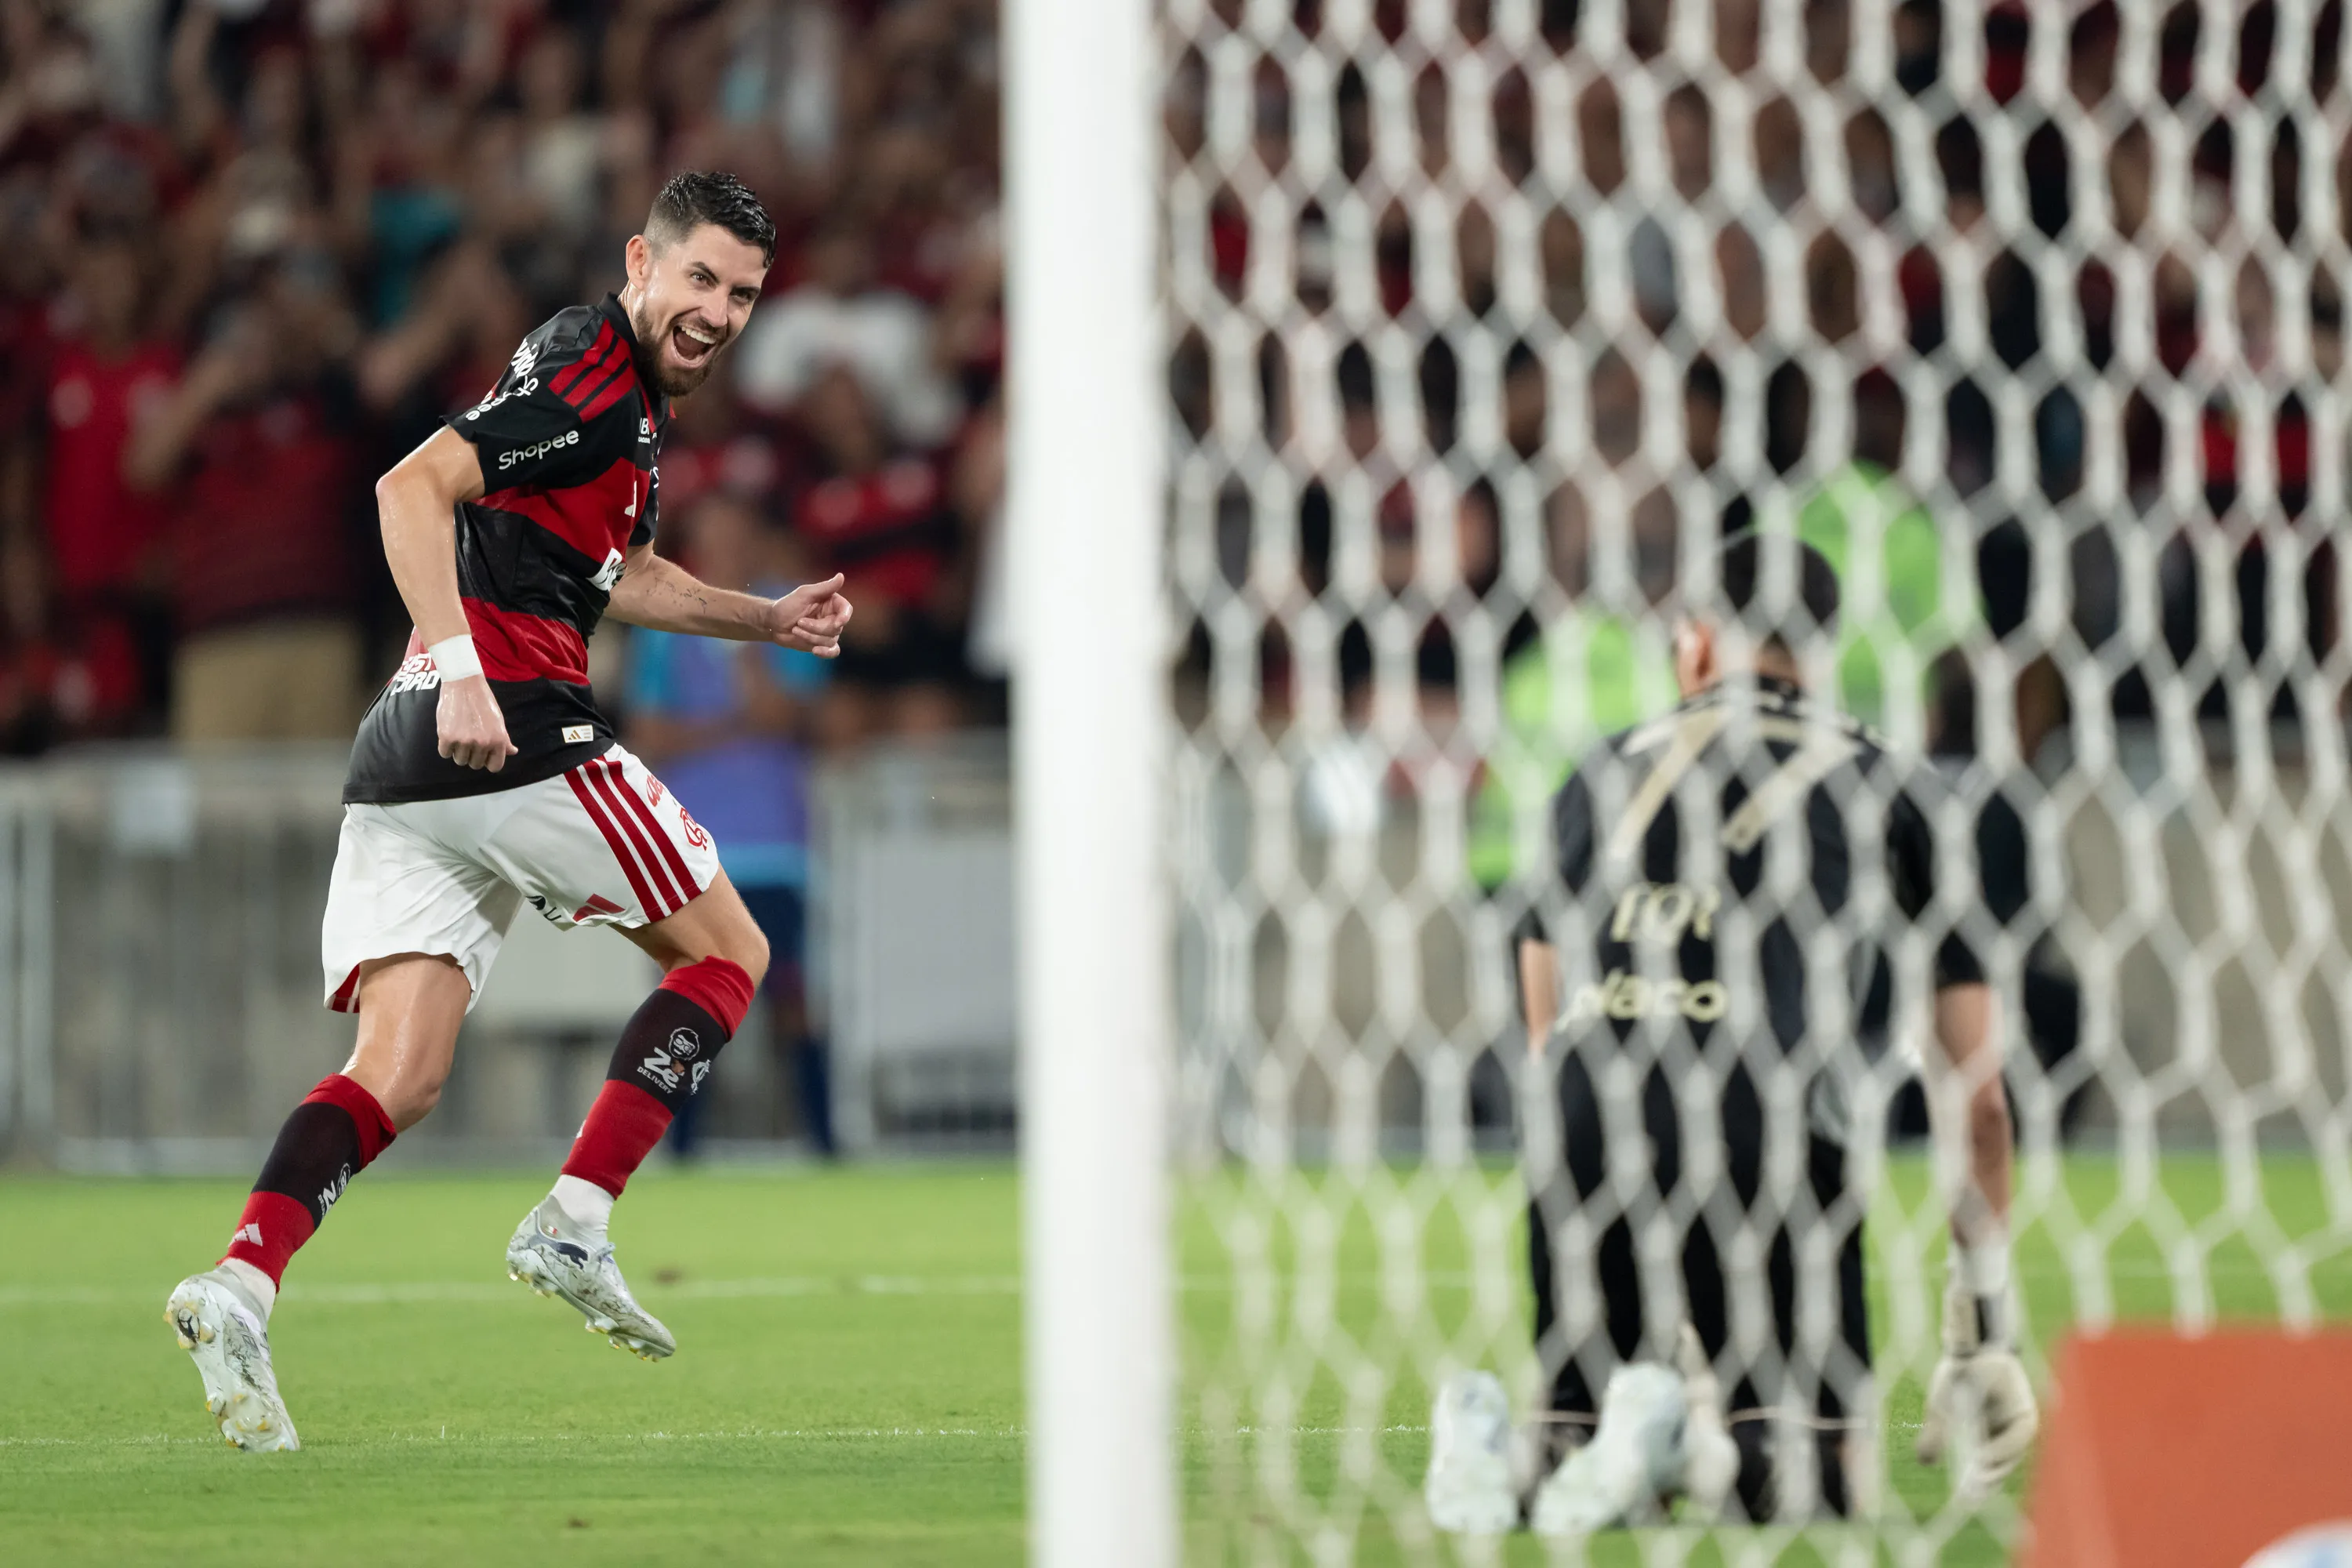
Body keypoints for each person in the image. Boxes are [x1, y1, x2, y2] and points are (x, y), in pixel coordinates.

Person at [162, 171, 853, 1454]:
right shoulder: (595, 378)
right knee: (732, 953)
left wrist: (764, 618)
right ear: (642, 261)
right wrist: (469, 662)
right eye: (699, 279)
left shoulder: (605, 399)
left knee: (401, 1074)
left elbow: (623, 572)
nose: (717, 312)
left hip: (404, 759)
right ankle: (577, 1218)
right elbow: (408, 488)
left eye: (743, 295)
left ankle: (240, 1282)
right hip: (511, 725)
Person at [1424, 533, 2036, 1532]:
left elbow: (1543, 1034)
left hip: (1589, 1133)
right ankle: (1703, 1442)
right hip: (1776, 1134)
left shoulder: (1596, 773)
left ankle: (1517, 1438)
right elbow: (1982, 1098)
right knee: (1813, 1480)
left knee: (1582, 1459)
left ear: (1695, 642)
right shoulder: (1894, 784)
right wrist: (1984, 1323)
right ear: (1823, 652)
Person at [625, 492, 835, 1156]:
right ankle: (682, 1149)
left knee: (790, 1002)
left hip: (775, 847)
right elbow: (648, 734)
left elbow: (783, 715)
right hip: (691, 850)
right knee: (690, 1001)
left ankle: (824, 1143)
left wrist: (748, 635)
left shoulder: (788, 611)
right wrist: (733, 724)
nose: (726, 554)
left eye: (737, 538)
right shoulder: (664, 623)